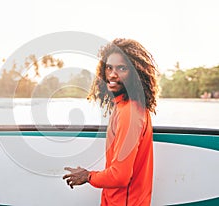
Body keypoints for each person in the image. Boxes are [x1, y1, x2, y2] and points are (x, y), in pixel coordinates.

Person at [63, 38, 159, 206]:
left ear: (135, 72)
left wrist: (87, 176)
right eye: (109, 67)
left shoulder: (130, 112)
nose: (112, 74)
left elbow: (120, 176)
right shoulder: (124, 106)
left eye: (122, 68)